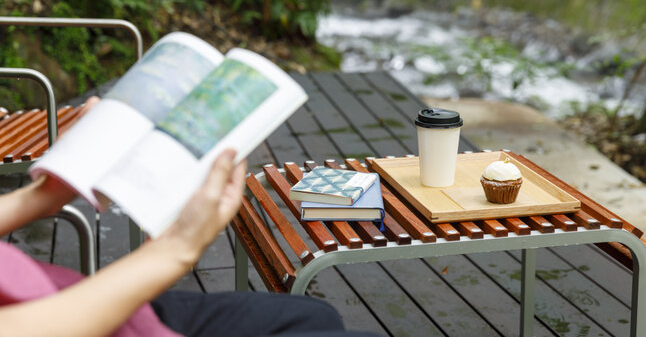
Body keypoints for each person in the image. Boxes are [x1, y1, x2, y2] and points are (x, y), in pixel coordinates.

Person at [0, 97, 376, 337]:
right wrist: (176, 248)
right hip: (69, 318)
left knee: (312, 316)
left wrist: (37, 198)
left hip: (62, 296)